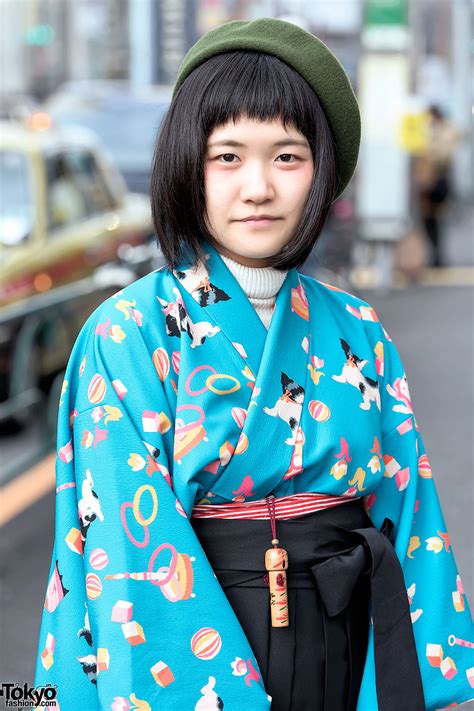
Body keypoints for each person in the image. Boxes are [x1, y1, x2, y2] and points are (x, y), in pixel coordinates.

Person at [34, 18, 473, 711]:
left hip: (347, 640)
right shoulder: (128, 333)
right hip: (194, 647)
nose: (259, 187)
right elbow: (127, 541)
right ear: (187, 165)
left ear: (321, 171)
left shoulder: (358, 327)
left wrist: (430, 678)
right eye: (228, 156)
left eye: (288, 157)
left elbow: (408, 509)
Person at [413, 104, 460, 268]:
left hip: (438, 180)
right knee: (430, 220)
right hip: (429, 181)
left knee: (435, 220)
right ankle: (435, 254)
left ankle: (437, 255)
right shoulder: (431, 130)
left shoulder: (445, 131)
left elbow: (443, 155)